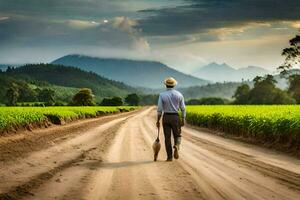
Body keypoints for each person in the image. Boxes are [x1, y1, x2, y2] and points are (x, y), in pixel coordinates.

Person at [156, 77, 186, 161]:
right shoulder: (179, 94)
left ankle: (169, 157)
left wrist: (158, 120)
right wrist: (183, 118)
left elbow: (159, 110)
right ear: (174, 85)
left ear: (166, 85)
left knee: (167, 138)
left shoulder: (162, 95)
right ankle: (177, 145)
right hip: (175, 117)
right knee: (177, 135)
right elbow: (183, 108)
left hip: (166, 117)